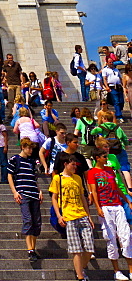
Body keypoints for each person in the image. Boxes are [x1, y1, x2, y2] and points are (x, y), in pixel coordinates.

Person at [87, 148, 132, 280]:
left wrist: (126, 200)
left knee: (126, 236)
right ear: (97, 158)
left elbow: (116, 186)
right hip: (105, 206)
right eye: (104, 157)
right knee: (110, 237)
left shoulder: (109, 170)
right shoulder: (93, 173)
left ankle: (130, 270)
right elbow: (94, 191)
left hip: (117, 205)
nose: (106, 159)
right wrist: (98, 207)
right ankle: (116, 270)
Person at [50, 156, 95, 281]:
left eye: (76, 165)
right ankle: (80, 276)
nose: (75, 167)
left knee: (89, 247)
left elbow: (82, 197)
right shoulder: (57, 178)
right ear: (65, 164)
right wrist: (59, 216)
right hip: (68, 215)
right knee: (76, 249)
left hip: (81, 214)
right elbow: (54, 197)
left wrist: (89, 216)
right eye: (73, 165)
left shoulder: (78, 178)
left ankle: (80, 268)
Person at [8, 136, 43, 263]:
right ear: (23, 147)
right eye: (29, 148)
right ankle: (30, 250)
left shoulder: (32, 162)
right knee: (28, 219)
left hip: (34, 192)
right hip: (23, 193)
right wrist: (15, 192)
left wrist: (39, 191)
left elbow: (34, 178)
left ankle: (33, 248)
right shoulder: (15, 160)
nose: (31, 151)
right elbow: (10, 175)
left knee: (36, 222)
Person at [102, 57, 126, 121]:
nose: (111, 63)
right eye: (110, 62)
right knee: (116, 101)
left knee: (121, 101)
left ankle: (117, 112)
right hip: (112, 87)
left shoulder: (116, 69)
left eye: (112, 62)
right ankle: (119, 116)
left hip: (119, 86)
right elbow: (104, 79)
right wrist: (107, 87)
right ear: (107, 63)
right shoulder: (105, 70)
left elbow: (120, 78)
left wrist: (123, 86)